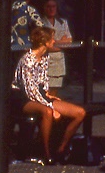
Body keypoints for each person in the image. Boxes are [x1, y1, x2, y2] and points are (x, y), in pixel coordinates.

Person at [13, 26, 86, 164]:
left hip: (40, 94)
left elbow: (44, 81)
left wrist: (48, 96)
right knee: (47, 112)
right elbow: (30, 91)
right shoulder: (27, 60)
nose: (54, 41)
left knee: (79, 113)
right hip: (23, 97)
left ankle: (61, 148)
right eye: (51, 39)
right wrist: (50, 105)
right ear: (44, 41)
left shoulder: (45, 57)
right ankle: (46, 153)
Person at [41, 0, 73, 94]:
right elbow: (45, 45)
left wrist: (55, 42)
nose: (51, 9)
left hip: (58, 62)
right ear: (45, 8)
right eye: (49, 7)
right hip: (45, 60)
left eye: (53, 6)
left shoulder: (63, 22)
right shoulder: (40, 23)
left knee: (55, 92)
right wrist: (61, 42)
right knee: (45, 91)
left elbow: (69, 41)